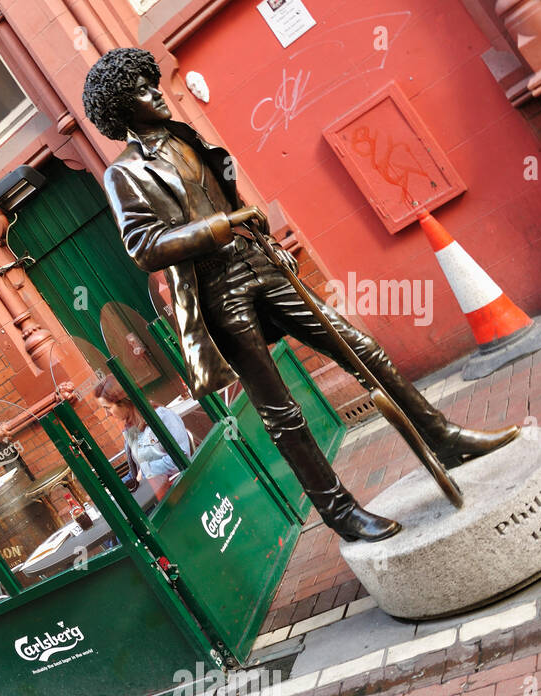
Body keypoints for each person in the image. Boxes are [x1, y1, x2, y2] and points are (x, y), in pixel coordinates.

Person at [82, 48, 518, 542]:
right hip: (218, 288)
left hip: (259, 264)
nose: (156, 92)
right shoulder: (125, 174)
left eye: (152, 83)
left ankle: (444, 438)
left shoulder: (186, 137)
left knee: (360, 347)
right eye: (142, 90)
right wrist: (222, 225)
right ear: (121, 110)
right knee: (280, 409)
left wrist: (260, 237)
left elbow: (226, 197)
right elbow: (144, 245)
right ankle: (340, 512)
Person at [93, 377, 192, 489]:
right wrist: (117, 488)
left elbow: (181, 458)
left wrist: (146, 472)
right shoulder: (131, 430)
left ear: (124, 402)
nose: (107, 414)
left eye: (108, 408)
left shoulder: (162, 417)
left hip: (182, 487)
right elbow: (137, 472)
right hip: (157, 493)